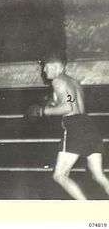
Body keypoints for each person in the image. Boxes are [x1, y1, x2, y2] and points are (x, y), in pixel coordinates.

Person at [26, 56, 109, 200]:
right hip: (89, 126)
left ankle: (87, 210)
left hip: (75, 127)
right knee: (98, 175)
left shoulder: (57, 81)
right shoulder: (73, 82)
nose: (44, 70)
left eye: (46, 66)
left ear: (56, 66)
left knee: (60, 175)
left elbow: (67, 107)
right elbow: (71, 101)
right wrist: (54, 103)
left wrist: (43, 111)